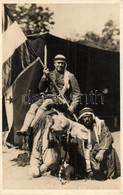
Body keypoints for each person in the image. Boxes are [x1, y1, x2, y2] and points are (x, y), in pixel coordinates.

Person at [17, 54, 81, 136]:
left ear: (65, 64)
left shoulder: (70, 76)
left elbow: (77, 93)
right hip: (48, 97)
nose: (60, 65)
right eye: (58, 63)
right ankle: (24, 128)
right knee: (33, 106)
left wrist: (73, 106)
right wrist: (44, 77)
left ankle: (31, 127)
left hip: (62, 101)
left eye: (62, 63)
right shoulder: (49, 74)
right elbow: (41, 88)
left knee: (47, 102)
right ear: (54, 64)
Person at [78, 107, 120, 180]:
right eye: (84, 117)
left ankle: (108, 174)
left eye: (88, 117)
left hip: (98, 151)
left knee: (110, 150)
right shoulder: (79, 128)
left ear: (92, 117)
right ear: (81, 119)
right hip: (85, 154)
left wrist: (101, 151)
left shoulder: (100, 125)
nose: (87, 119)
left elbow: (108, 136)